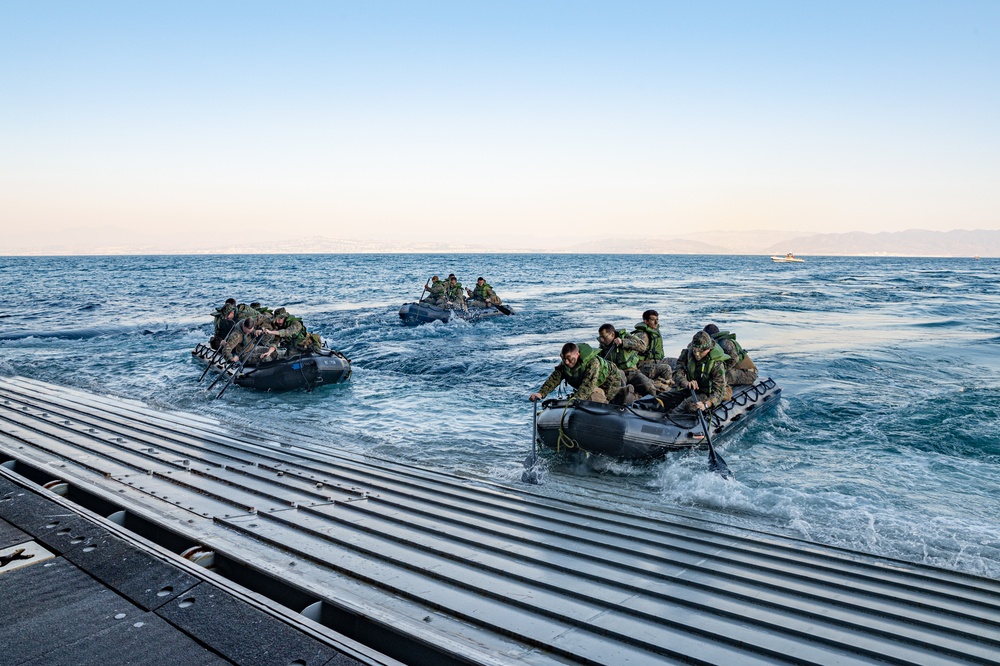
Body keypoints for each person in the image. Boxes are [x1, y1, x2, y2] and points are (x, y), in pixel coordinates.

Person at [529, 342, 625, 404]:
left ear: (577, 355)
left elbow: (588, 385)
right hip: (594, 382)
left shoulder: (592, 363)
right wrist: (541, 393)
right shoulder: (565, 364)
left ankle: (625, 392)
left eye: (569, 359)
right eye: (564, 358)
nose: (566, 362)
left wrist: (575, 400)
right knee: (588, 397)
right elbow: (554, 379)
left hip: (610, 380)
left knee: (607, 401)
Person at [670, 331, 730, 414]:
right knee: (668, 396)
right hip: (690, 388)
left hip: (707, 393)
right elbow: (677, 372)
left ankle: (672, 416)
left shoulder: (716, 364)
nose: (697, 354)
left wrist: (706, 404)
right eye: (695, 350)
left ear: (709, 349)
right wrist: (686, 383)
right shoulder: (687, 353)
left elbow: (719, 391)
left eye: (701, 351)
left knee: (686, 405)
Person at [597, 323, 656, 397]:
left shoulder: (626, 337)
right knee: (622, 391)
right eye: (601, 337)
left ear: (612, 334)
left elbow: (642, 347)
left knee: (649, 387)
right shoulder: (603, 346)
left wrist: (623, 343)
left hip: (632, 372)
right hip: (617, 374)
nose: (602, 340)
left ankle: (652, 404)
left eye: (604, 337)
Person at [633, 309, 674, 388]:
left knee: (676, 362)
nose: (656, 322)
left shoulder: (654, 331)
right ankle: (666, 390)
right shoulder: (642, 335)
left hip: (655, 361)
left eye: (657, 319)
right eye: (652, 320)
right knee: (666, 368)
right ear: (645, 321)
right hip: (643, 366)